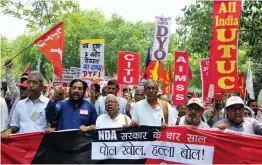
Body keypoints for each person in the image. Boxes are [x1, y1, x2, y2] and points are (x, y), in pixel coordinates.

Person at [1, 71, 49, 138]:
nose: (31, 85)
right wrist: (9, 130)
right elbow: (15, 125)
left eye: (35, 83)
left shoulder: (48, 104)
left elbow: (52, 126)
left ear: (41, 86)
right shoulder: (20, 104)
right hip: (22, 145)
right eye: (29, 82)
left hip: (40, 145)